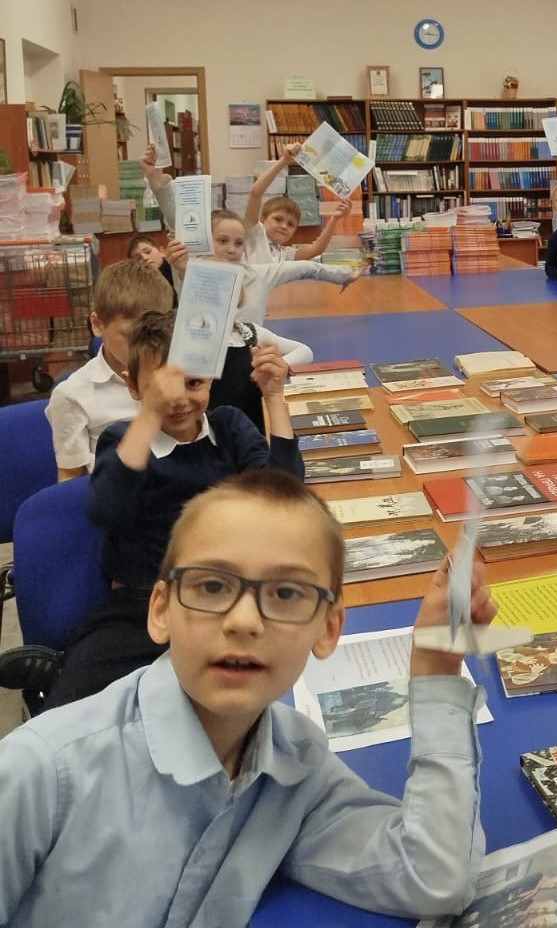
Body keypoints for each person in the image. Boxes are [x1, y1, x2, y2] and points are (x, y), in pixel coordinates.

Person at [0, 469, 497, 925]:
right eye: (211, 586)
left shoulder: (296, 770)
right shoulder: (39, 775)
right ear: (161, 610)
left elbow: (434, 876)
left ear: (328, 629)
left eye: (286, 594)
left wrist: (436, 670)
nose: (243, 620)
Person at [38, 308, 304, 710]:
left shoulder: (229, 427)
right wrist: (149, 414)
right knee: (77, 709)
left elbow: (284, 500)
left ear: (211, 379)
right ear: (133, 387)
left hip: (226, 599)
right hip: (142, 605)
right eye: (163, 388)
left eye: (194, 383)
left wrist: (274, 398)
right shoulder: (124, 440)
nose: (179, 399)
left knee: (247, 701)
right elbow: (106, 510)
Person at [165, 209, 335, 431]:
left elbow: (305, 351)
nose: (231, 249)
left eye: (227, 293)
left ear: (238, 298)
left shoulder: (247, 333)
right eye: (222, 241)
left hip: (250, 433)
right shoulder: (182, 340)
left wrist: (275, 366)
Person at [45, 258, 174, 480]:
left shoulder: (179, 376)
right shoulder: (72, 395)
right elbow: (70, 478)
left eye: (154, 334)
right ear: (97, 324)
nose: (142, 346)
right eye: (130, 335)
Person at [242, 141, 354, 263]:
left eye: (291, 224)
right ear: (262, 219)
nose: (284, 226)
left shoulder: (285, 253)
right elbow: (256, 193)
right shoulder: (254, 234)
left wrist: (335, 219)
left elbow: (315, 250)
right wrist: (284, 161)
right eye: (278, 219)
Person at [126, 233, 177, 304]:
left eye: (148, 252)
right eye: (138, 258)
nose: (144, 258)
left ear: (162, 252)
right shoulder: (135, 285)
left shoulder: (177, 272)